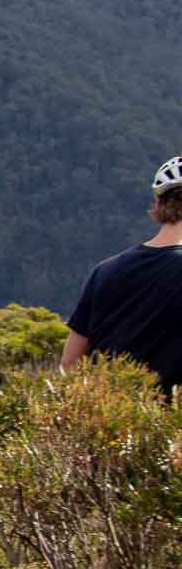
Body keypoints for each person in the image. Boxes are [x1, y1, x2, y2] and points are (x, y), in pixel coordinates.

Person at [60, 155, 182, 396]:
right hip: (168, 427)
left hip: (102, 422)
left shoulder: (105, 271)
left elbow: (69, 365)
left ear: (158, 205)